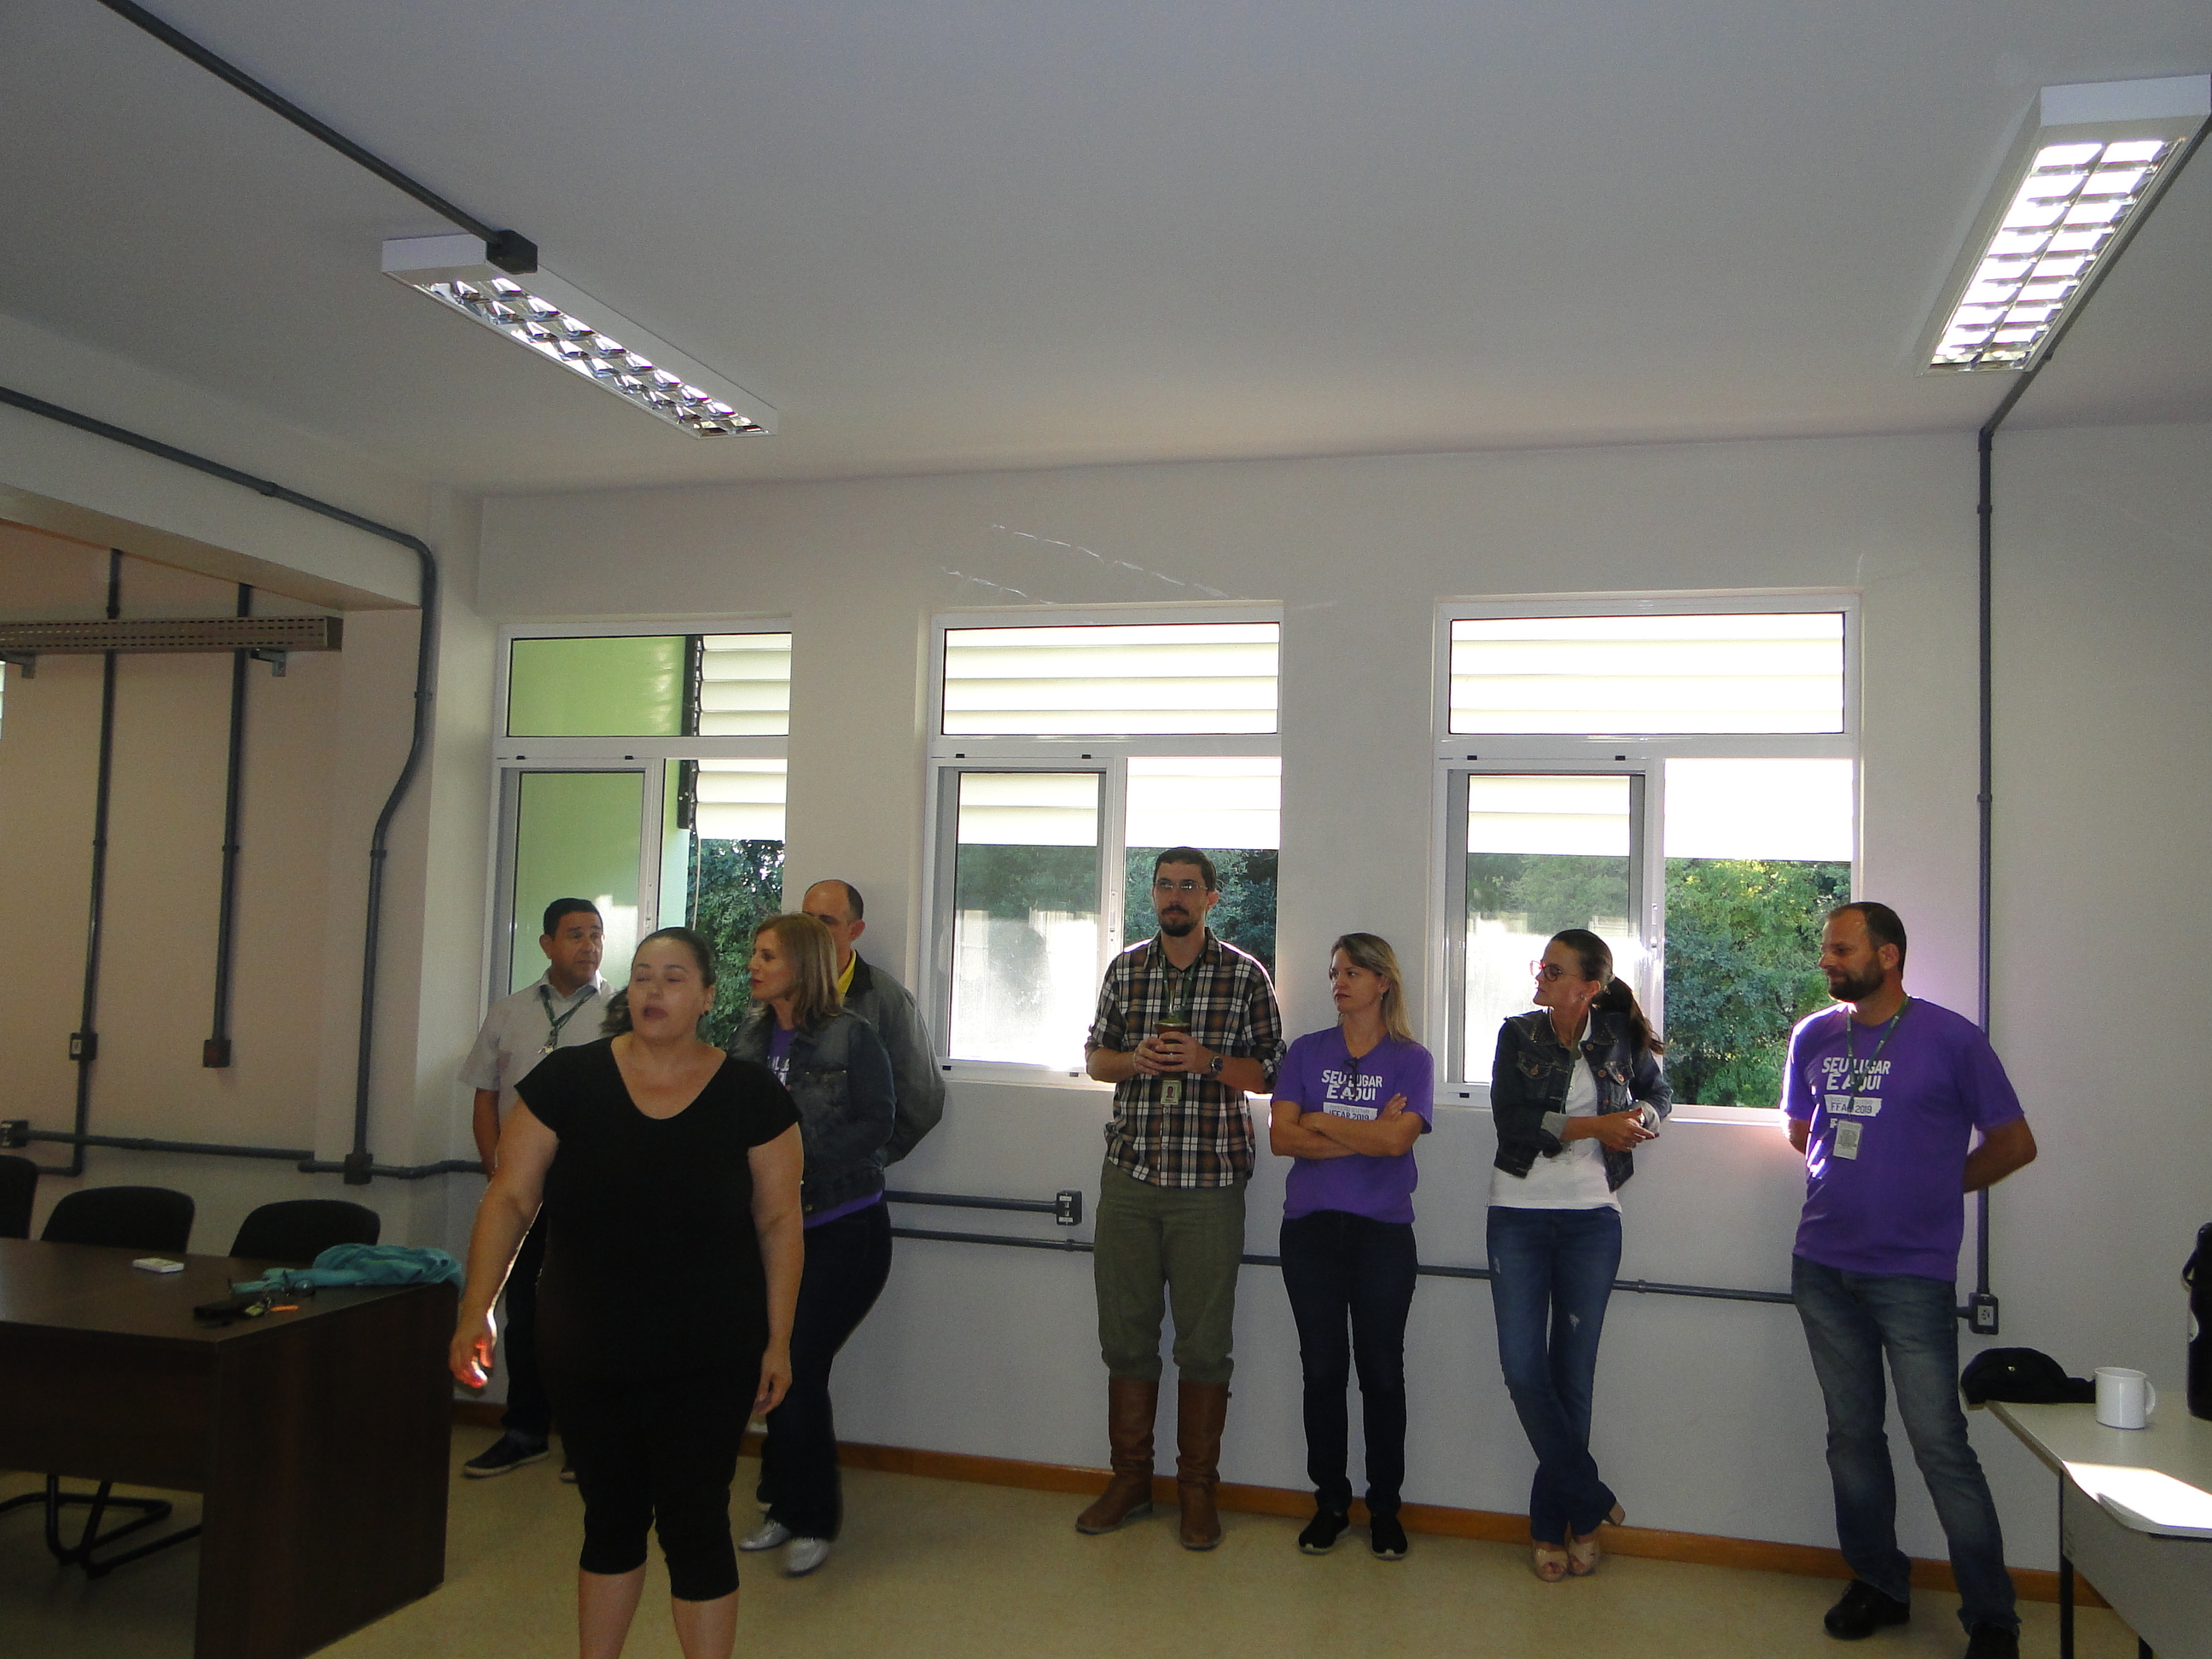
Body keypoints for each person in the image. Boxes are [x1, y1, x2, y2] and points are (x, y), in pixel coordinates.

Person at [450, 928, 802, 1659]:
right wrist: (476, 1307)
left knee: (695, 1521)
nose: (653, 990)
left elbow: (778, 1223)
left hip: (711, 1349)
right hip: (588, 1346)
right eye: (642, 976)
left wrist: (779, 1339)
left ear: (707, 997)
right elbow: (510, 1199)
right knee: (609, 1518)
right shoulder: (567, 1082)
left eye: (673, 978)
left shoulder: (752, 1096)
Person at [1784, 903, 2036, 1659]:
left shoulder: (1952, 1038)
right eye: (1826, 949)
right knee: (1852, 1439)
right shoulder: (1814, 1035)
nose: (1826, 961)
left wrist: (1932, 1185)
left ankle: (1992, 1617)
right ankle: (1879, 1583)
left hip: (1911, 1274)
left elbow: (2014, 1143)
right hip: (1823, 1267)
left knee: (1940, 1446)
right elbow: (1802, 1130)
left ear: (1888, 955)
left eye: (1841, 949)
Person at [1077, 846, 1285, 1550]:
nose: (1174, 895)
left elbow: (1271, 1073)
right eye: (1165, 884)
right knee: (1125, 1337)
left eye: (1188, 886)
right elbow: (1095, 1058)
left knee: (1203, 1347)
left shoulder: (1245, 975)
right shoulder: (1125, 969)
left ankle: (1198, 1490)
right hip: (1130, 1177)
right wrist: (1132, 1060)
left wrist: (1208, 1061)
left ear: (1211, 899)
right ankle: (1131, 1482)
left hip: (1209, 1185)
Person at [1487, 928, 1671, 1582]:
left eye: (1555, 969)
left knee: (1573, 1378)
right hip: (1518, 1213)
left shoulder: (1617, 1035)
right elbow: (1513, 1121)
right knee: (1522, 1369)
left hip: (1593, 1218)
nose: (1541, 975)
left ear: (1589, 987)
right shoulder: (1518, 1034)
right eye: (1542, 965)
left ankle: (1551, 1527)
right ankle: (1590, 1502)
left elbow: (1658, 1093)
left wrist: (1641, 1121)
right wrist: (1598, 1126)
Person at [730, 913, 898, 1577]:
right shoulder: (748, 1035)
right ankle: (781, 1503)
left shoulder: (852, 1035)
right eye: (754, 954)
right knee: (773, 1368)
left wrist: (797, 1164)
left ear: (800, 964)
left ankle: (813, 1517)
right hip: (772, 1231)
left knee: (797, 1361)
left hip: (844, 1227)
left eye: (767, 955)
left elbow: (879, 1122)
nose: (753, 965)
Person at [1267, 933, 1433, 1561]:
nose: (1339, 982)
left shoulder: (1412, 1059)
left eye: (1354, 972)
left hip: (1382, 1234)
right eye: (1335, 972)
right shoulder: (1307, 1052)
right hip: (1310, 1230)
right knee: (1322, 1370)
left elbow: (1397, 1144)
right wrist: (1366, 1130)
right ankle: (1331, 1503)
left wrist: (1319, 1119)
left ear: (1382, 982)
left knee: (1382, 1373)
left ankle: (1385, 1508)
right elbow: (1281, 1139)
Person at [454, 897, 611, 1479]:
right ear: (546, 944)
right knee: (524, 1314)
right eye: (575, 934)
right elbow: (486, 1098)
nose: (589, 945)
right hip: (524, 1191)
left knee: (589, 1316)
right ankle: (524, 1431)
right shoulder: (509, 1011)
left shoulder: (621, 1013)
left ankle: (586, 1439)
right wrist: (498, 1173)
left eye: (596, 934)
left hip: (592, 1195)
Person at [799, 878, 945, 1162]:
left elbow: (922, 1100)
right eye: (807, 919)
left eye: (826, 921)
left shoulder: (887, 1000)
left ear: (855, 930)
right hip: (780, 1170)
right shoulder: (777, 990)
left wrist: (871, 1158)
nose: (812, 931)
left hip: (849, 1175)